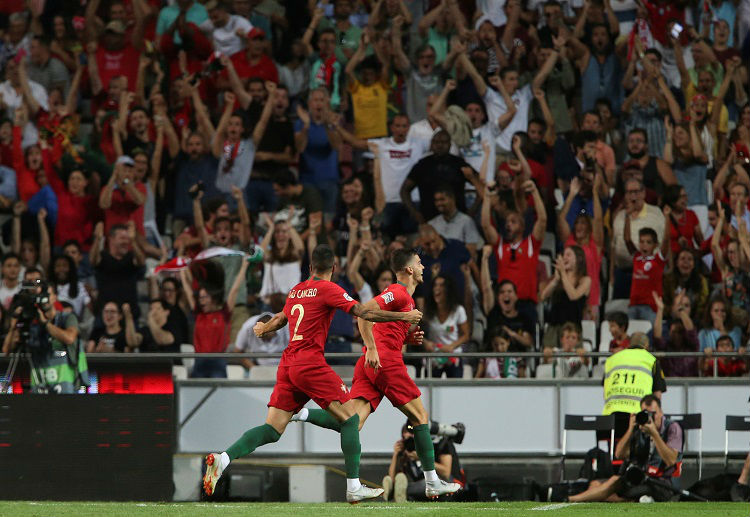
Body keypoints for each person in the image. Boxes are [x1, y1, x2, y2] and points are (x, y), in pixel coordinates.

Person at [202, 244, 423, 503]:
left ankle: (223, 459)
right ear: (334, 267)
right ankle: (354, 486)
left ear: (310, 268)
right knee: (351, 419)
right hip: (310, 363)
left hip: (287, 365)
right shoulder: (330, 289)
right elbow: (364, 312)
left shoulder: (296, 290)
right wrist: (404, 316)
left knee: (272, 429)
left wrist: (263, 328)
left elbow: (281, 319)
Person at [289, 248, 461, 498]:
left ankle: (301, 413)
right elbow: (365, 314)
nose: (423, 266)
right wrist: (371, 347)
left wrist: (407, 335)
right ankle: (433, 481)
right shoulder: (397, 291)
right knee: (420, 416)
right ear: (410, 269)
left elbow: (384, 327)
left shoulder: (407, 299)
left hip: (372, 362)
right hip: (384, 361)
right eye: (420, 263)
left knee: (351, 421)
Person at [563, 395, 683, 503]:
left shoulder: (672, 428)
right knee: (595, 484)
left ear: (661, 412)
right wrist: (630, 429)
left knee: (615, 487)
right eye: (646, 414)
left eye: (653, 413)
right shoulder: (640, 429)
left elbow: (671, 460)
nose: (650, 418)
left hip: (662, 483)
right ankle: (636, 500)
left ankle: (571, 499)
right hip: (640, 478)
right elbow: (619, 454)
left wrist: (654, 434)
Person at [2, 284, 88, 393]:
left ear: (55, 297)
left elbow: (69, 338)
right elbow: (6, 350)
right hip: (40, 390)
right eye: (40, 295)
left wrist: (45, 323)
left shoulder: (67, 318)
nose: (44, 299)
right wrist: (13, 326)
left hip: (66, 389)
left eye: (47, 295)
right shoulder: (31, 325)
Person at [180, 255, 249, 379]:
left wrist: (244, 266)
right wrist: (182, 271)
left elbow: (234, 290)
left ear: (212, 297)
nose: (202, 301)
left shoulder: (224, 313)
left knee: (219, 397)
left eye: (205, 297)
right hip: (199, 362)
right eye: (200, 298)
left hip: (218, 362)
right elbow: (188, 292)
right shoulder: (198, 313)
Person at [601, 329, 667, 440]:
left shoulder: (612, 360)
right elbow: (657, 395)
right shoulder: (651, 360)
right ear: (646, 345)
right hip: (638, 418)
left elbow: (605, 388)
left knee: (614, 452)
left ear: (629, 344)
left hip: (610, 418)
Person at [382, 421, 464, 502]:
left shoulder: (440, 443)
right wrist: (396, 455)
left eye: (412, 435)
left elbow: (446, 473)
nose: (410, 441)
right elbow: (392, 478)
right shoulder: (407, 452)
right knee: (400, 481)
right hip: (425, 489)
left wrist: (422, 458)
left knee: (416, 485)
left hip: (449, 484)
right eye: (406, 438)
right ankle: (396, 491)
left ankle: (395, 492)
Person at [623, 205, 671, 322]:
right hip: (633, 306)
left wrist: (667, 217)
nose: (644, 245)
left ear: (655, 245)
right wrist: (627, 217)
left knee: (651, 337)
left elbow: (666, 240)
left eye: (648, 242)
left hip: (650, 307)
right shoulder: (637, 257)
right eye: (642, 242)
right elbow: (627, 239)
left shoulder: (658, 260)